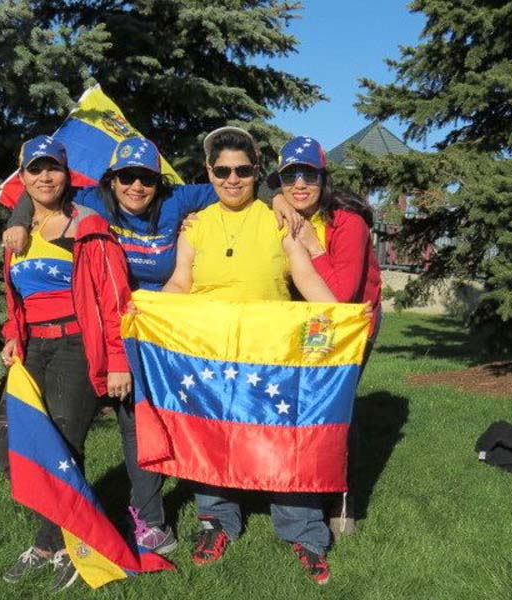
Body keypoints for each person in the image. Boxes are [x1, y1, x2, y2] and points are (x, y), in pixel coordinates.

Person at [0, 136, 301, 553]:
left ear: (160, 182)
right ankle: (79, 519)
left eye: (146, 178)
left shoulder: (177, 201)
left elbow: (231, 180)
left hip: (161, 334)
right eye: (126, 177)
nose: (136, 187)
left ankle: (149, 520)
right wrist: (17, 217)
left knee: (139, 426)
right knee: (82, 427)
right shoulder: (96, 202)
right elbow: (42, 193)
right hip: (105, 328)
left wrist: (276, 197)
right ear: (112, 180)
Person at [161, 126, 338, 585]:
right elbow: (181, 281)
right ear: (209, 173)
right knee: (212, 438)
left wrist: (340, 319)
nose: (232, 179)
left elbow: (304, 276)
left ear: (256, 172)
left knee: (283, 439)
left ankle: (304, 533)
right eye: (222, 171)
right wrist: (152, 311)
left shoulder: (280, 220)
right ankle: (216, 522)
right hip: (209, 352)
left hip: (269, 353)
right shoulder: (196, 225)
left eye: (242, 170)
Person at [0, 135, 132, 592]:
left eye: (53, 168)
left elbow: (114, 300)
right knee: (5, 447)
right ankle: (66, 529)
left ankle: (55, 545)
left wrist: (117, 361)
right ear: (24, 176)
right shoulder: (17, 233)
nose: (45, 176)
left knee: (64, 452)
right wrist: (12, 335)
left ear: (66, 174)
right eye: (35, 169)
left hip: (76, 347)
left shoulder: (87, 226)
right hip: (32, 350)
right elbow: (16, 298)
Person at [269, 135, 382, 538]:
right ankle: (302, 489)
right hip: (310, 323)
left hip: (353, 323)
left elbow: (341, 296)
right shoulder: (285, 207)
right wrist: (276, 200)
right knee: (305, 407)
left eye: (309, 175)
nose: (299, 184)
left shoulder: (347, 223)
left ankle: (342, 500)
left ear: (323, 178)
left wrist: (315, 246)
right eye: (289, 176)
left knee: (335, 410)